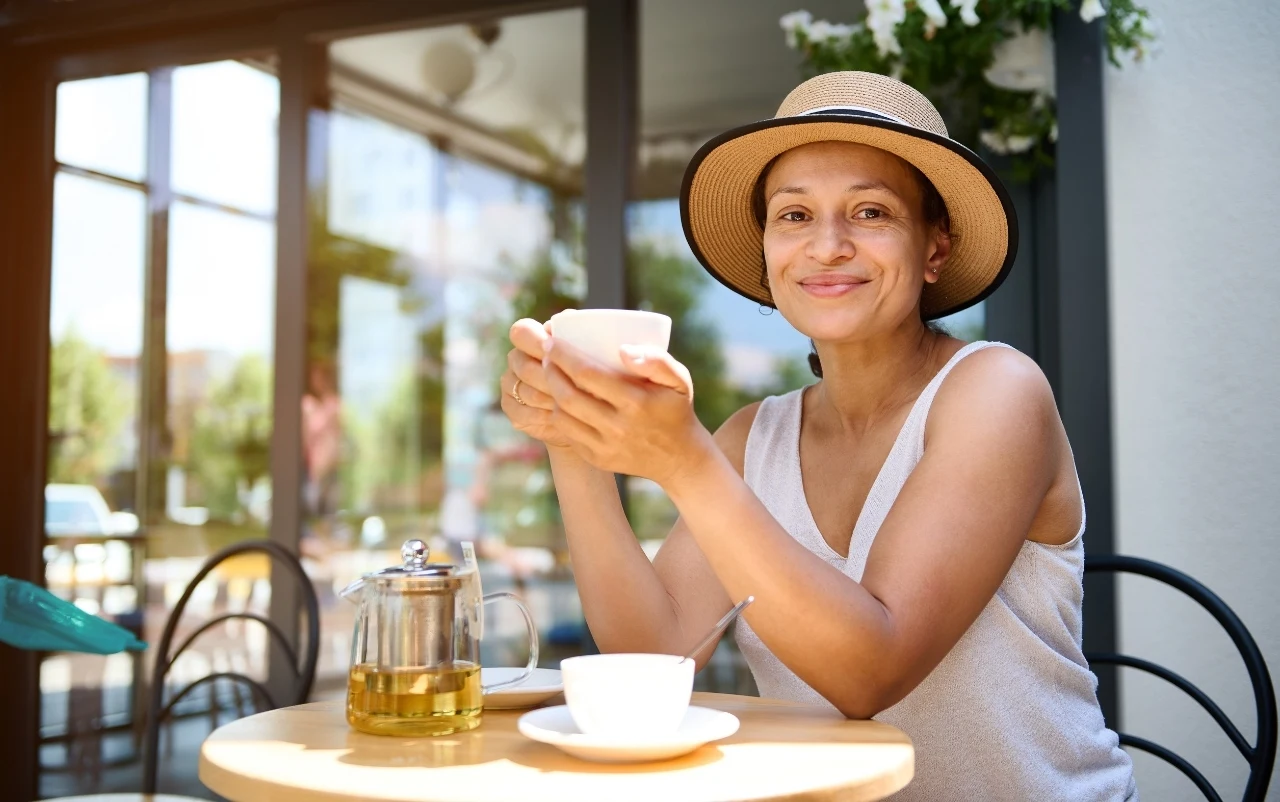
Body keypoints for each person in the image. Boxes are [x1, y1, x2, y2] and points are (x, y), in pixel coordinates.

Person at [500, 71, 1136, 801]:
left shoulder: (997, 392)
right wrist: (570, 437)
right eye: (795, 215)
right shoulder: (754, 437)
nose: (827, 246)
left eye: (870, 211)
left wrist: (684, 462)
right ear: (769, 253)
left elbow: (872, 671)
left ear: (935, 248)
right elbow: (657, 652)